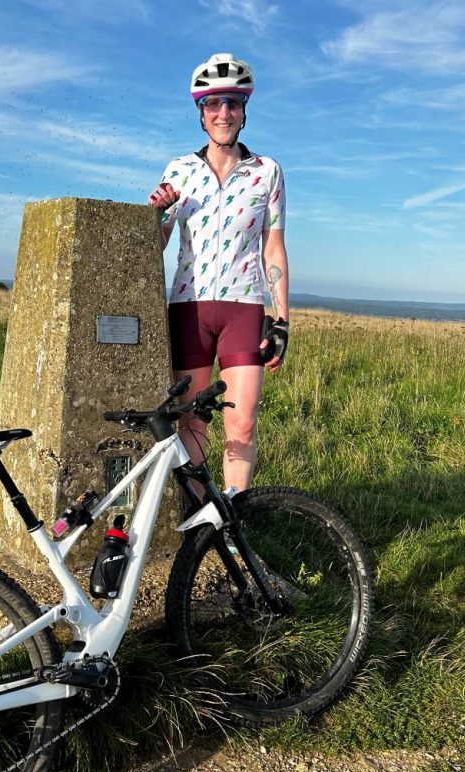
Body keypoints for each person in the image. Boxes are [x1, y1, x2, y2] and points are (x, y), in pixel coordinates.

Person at [148, 53, 289, 492]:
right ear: (200, 112)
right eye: (213, 104)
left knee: (241, 425)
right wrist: (153, 215)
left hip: (243, 311)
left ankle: (234, 525)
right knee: (190, 423)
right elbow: (155, 244)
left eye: (232, 103)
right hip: (188, 309)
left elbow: (274, 247)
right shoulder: (179, 170)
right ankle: (198, 521)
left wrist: (282, 319)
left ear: (244, 110)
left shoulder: (267, 172)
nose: (223, 112)